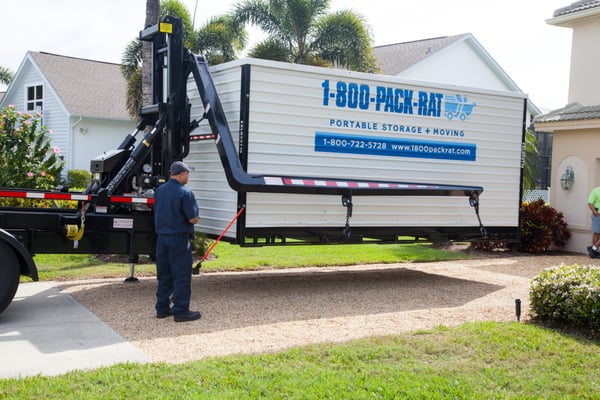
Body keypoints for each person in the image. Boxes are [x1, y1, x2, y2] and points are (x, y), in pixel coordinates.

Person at [154, 161, 201, 322]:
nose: (188, 177)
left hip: (161, 239)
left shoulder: (159, 191)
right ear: (181, 174)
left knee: (164, 275)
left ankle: (162, 308)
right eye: (187, 174)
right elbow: (193, 219)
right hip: (179, 239)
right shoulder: (185, 193)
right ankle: (181, 311)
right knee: (181, 275)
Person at [587, 186, 600, 258]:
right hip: (598, 215)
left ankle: (593, 249)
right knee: (597, 234)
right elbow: (590, 202)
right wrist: (595, 212)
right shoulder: (596, 190)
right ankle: (595, 252)